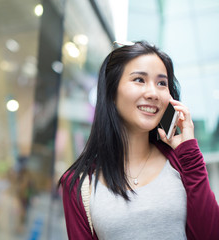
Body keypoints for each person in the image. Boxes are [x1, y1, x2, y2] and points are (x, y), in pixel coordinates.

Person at [59, 41, 219, 240]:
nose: (152, 93)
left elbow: (210, 235)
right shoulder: (79, 184)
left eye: (162, 83)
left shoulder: (181, 162)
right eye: (139, 80)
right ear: (111, 92)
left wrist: (189, 153)